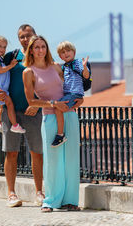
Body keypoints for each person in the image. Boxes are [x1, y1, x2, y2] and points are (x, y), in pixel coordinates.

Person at [23, 35, 82, 212]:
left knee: (71, 158)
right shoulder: (28, 72)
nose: (40, 50)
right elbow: (31, 101)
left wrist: (79, 100)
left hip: (70, 115)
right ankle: (50, 201)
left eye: (43, 46)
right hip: (49, 117)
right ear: (31, 50)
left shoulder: (56, 66)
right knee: (52, 159)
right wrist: (53, 104)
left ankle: (70, 200)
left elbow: (71, 86)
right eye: (36, 47)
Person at [0, 25, 44, 207]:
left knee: (37, 153)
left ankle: (39, 193)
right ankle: (11, 194)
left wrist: (39, 105)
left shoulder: (40, 56)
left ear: (34, 36)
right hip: (11, 112)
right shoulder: (11, 57)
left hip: (34, 111)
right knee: (11, 153)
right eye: (21, 36)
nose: (24, 39)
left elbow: (49, 82)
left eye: (28, 35)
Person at [51, 41, 89, 148]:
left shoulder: (77, 63)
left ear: (74, 52)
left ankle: (60, 135)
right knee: (63, 109)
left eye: (68, 51)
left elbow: (86, 76)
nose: (66, 53)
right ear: (60, 56)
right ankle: (74, 138)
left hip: (74, 93)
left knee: (58, 108)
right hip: (69, 93)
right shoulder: (64, 67)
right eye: (63, 52)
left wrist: (85, 67)